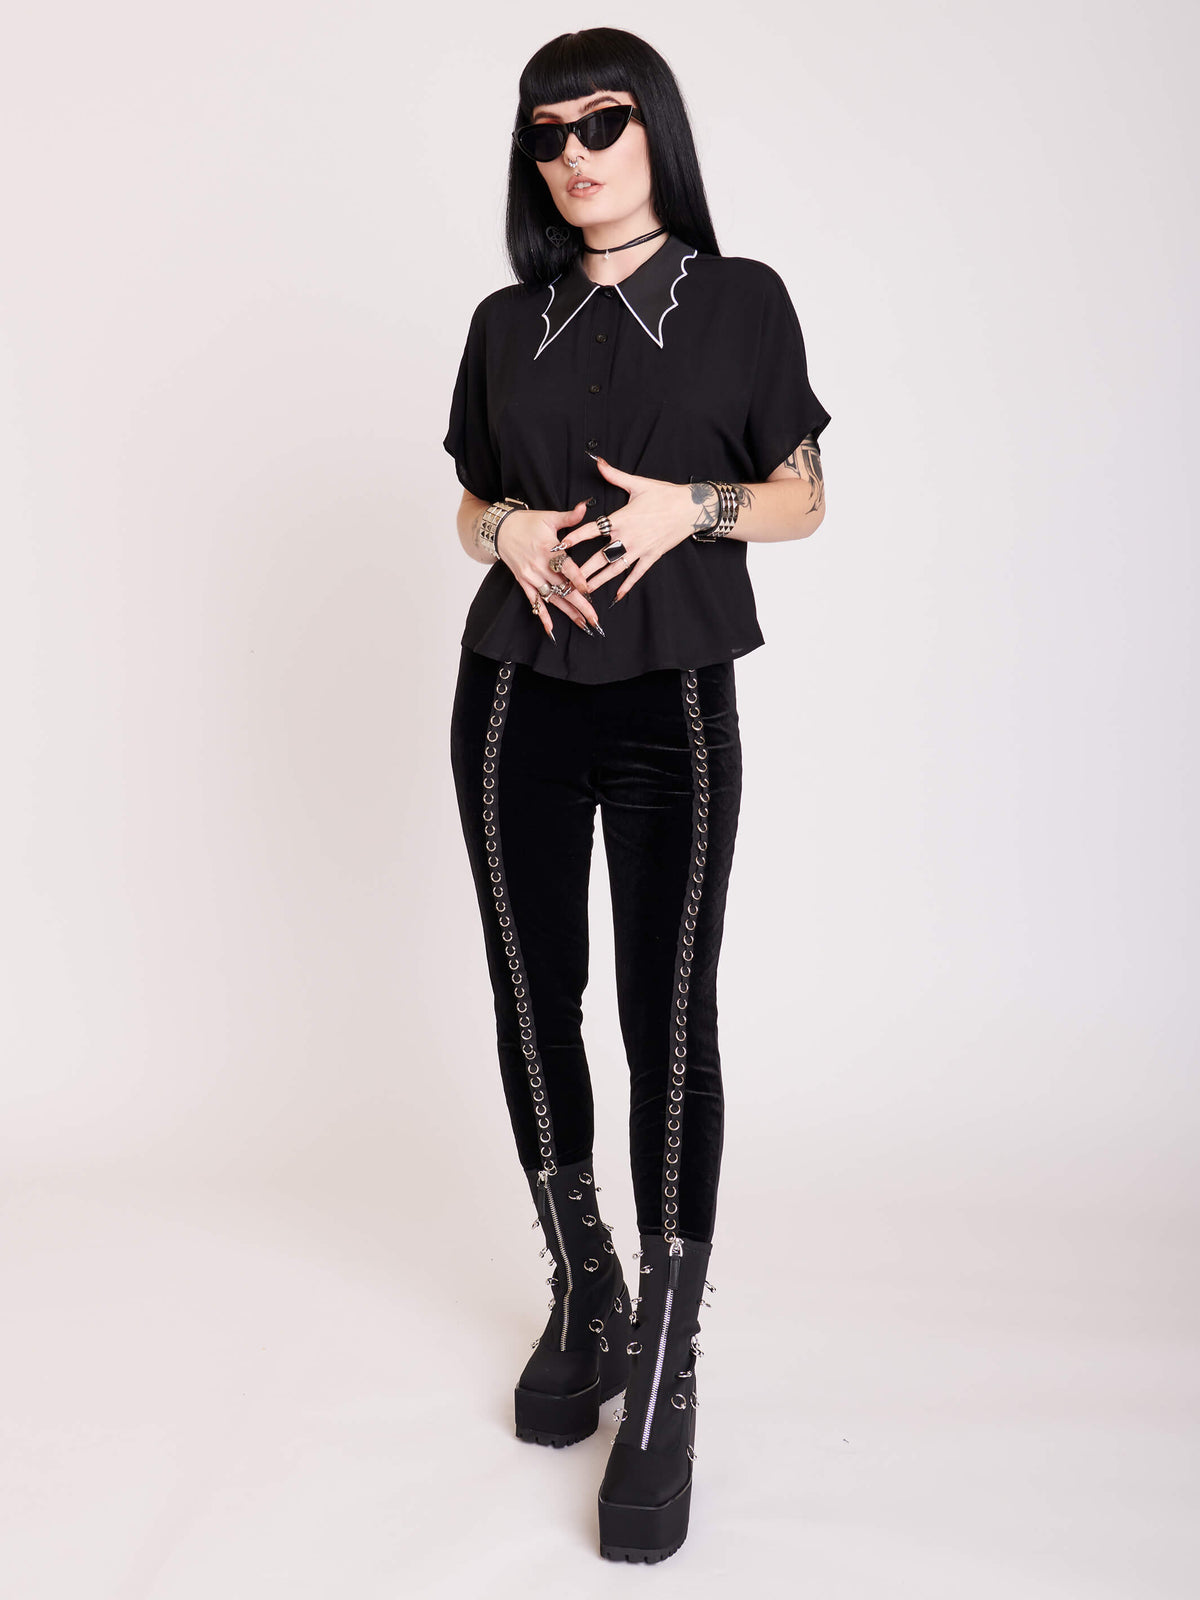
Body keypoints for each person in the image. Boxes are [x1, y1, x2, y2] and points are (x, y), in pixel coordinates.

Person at [444, 27, 830, 1564]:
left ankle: (665, 1353)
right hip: (510, 696)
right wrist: (506, 534)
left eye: (602, 122)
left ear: (655, 128)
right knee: (532, 994)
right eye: (548, 134)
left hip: (672, 699)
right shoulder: (504, 321)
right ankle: (585, 1283)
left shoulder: (740, 302)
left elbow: (806, 498)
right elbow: (469, 493)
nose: (575, 155)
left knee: (669, 1016)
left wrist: (689, 511)